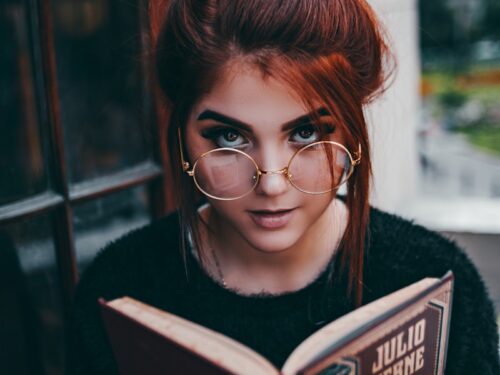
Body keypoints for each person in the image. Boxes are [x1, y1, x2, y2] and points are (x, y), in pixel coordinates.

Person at [67, 0, 499, 374]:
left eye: (307, 132)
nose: (272, 183)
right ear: (181, 135)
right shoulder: (120, 291)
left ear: (351, 131)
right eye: (229, 137)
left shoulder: (437, 283)